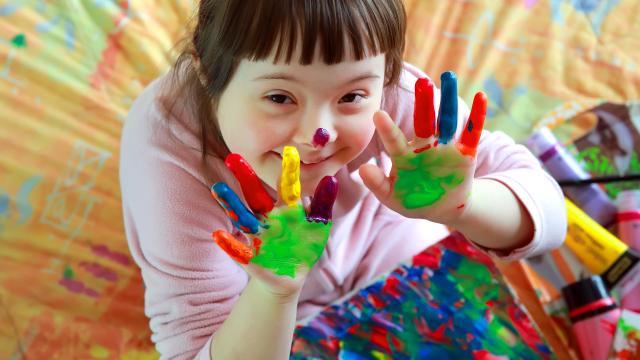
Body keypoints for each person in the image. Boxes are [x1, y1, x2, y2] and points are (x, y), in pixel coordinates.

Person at [119, 1, 567, 358]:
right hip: (261, 314)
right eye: (279, 96)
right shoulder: (167, 154)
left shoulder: (398, 101)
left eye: (352, 95)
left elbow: (550, 216)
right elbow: (192, 346)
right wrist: (274, 291)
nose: (318, 134)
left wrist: (463, 205)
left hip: (393, 249)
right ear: (207, 71)